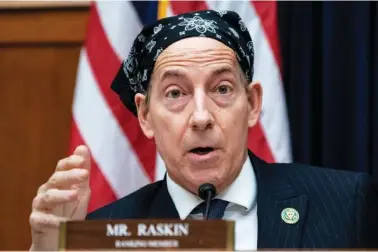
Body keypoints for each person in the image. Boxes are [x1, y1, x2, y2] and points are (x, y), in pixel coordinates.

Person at [29, 10, 378, 250]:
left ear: (253, 103)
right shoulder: (104, 231)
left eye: (222, 89)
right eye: (176, 93)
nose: (200, 116)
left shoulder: (347, 202)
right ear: (146, 115)